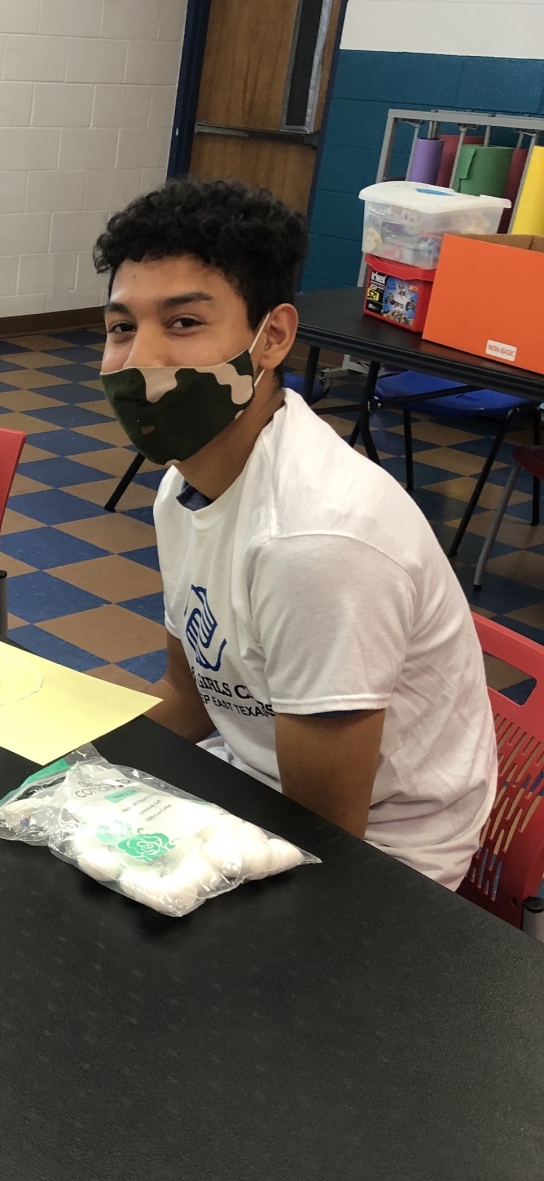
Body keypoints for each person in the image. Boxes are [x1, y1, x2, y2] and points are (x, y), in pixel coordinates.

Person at [94, 176, 496, 889]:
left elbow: (327, 839)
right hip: (253, 782)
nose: (140, 358)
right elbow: (189, 697)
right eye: (123, 326)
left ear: (272, 337)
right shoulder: (181, 486)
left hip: (385, 866)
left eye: (182, 323)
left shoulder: (315, 543)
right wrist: (72, 758)